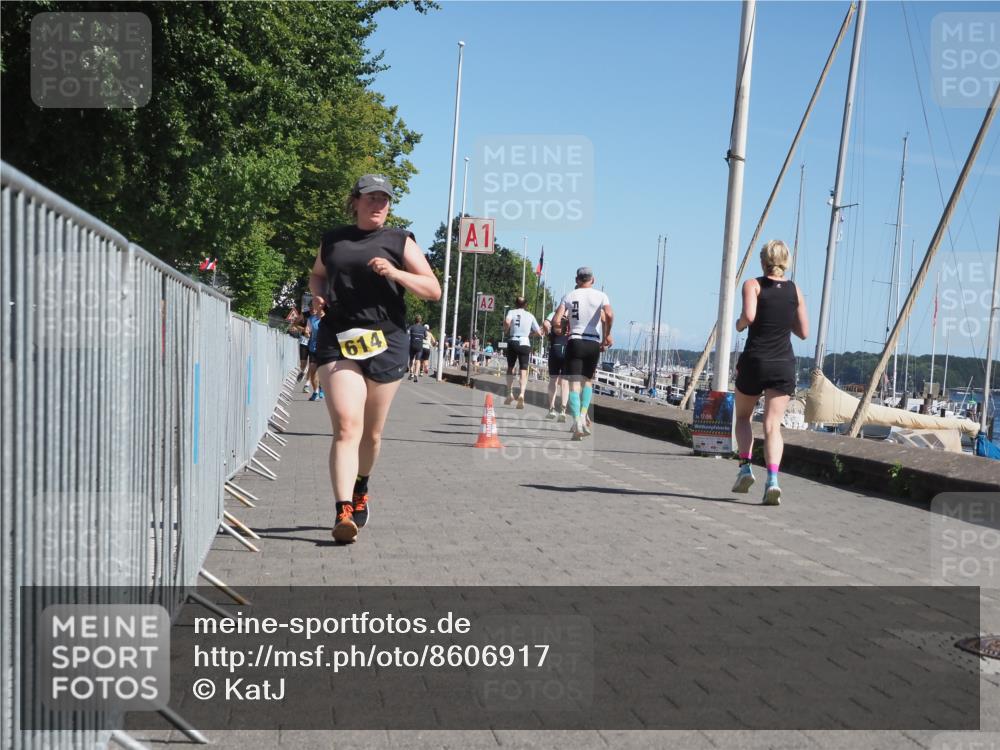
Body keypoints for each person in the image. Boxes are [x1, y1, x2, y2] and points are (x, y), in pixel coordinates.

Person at [310, 174, 441, 543]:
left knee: (371, 433)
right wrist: (318, 297)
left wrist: (396, 271)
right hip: (340, 339)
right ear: (355, 201)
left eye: (384, 198)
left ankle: (361, 486)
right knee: (347, 427)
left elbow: (433, 289)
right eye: (371, 197)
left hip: (387, 340)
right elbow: (317, 276)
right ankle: (343, 512)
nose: (378, 204)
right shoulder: (333, 240)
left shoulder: (400, 240)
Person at [732, 239, 809, 506]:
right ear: (785, 262)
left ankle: (745, 467)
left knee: (743, 417)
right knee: (773, 425)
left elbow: (749, 317)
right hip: (782, 363)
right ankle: (773, 480)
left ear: (763, 261)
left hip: (755, 360)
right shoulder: (795, 291)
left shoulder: (752, 285)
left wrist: (739, 324)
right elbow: (803, 332)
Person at [552, 267, 613, 440]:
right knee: (588, 382)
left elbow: (556, 320)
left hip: (575, 340)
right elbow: (608, 314)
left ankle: (577, 420)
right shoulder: (601, 296)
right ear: (592, 280)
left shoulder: (570, 296)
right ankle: (584, 415)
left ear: (577, 280)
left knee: (574, 385)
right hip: (593, 342)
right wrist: (607, 334)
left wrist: (562, 328)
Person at [503, 297, 542, 409]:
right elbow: (539, 332)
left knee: (510, 367)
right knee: (523, 370)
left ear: (516, 304)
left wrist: (506, 329)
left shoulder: (511, 312)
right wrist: (530, 334)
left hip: (513, 340)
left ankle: (510, 393)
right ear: (526, 305)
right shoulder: (530, 315)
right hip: (525, 342)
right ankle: (521, 393)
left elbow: (507, 321)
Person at [542, 310, 570, 421]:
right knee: (565, 382)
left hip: (554, 347)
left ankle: (551, 408)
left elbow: (545, 324)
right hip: (566, 349)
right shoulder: (572, 316)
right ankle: (563, 410)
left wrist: (549, 335)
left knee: (553, 380)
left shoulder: (553, 314)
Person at [305, 298, 325, 401]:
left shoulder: (327, 318)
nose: (313, 308)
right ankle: (315, 391)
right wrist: (307, 332)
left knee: (322, 371)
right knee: (313, 371)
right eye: (312, 307)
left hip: (325, 349)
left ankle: (321, 388)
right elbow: (307, 330)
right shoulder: (311, 319)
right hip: (313, 348)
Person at [407, 315, 427, 382]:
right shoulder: (423, 328)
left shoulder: (411, 327)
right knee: (418, 360)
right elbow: (426, 336)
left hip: (412, 345)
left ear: (414, 320)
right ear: (420, 320)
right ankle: (416, 374)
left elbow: (407, 333)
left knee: (411, 359)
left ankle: (411, 373)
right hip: (419, 346)